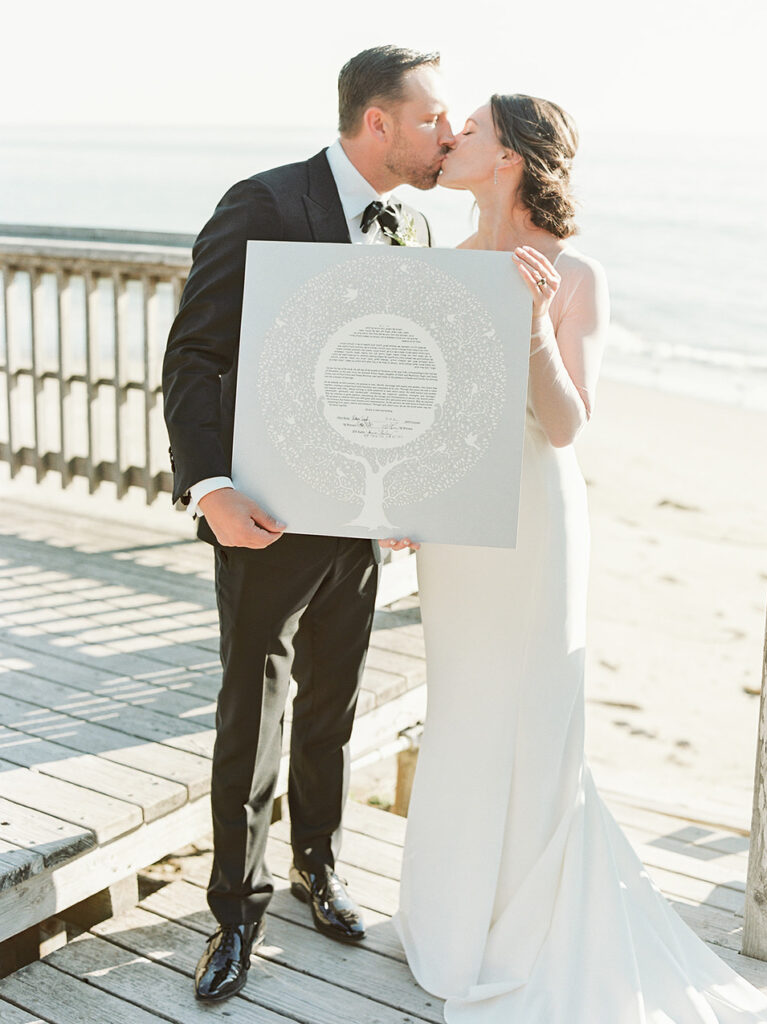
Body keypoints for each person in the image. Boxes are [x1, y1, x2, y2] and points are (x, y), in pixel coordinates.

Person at [392, 94, 767, 1022]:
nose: (453, 139)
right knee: (463, 710)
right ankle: (450, 919)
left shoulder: (576, 274)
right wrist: (400, 499)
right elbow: (433, 411)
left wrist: (527, 324)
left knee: (531, 713)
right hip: (457, 530)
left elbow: (565, 427)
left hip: (534, 522)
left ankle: (525, 926)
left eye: (472, 130)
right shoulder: (441, 266)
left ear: (511, 159)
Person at [162, 44, 453, 1003]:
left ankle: (315, 870)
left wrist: (412, 487)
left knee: (332, 705)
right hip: (269, 518)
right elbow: (194, 353)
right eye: (430, 119)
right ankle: (233, 916)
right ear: (378, 122)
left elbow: (405, 373)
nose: (445, 136)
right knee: (253, 713)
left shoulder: (410, 223)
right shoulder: (265, 202)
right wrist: (210, 489)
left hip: (362, 524)